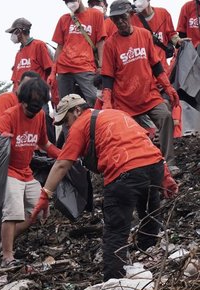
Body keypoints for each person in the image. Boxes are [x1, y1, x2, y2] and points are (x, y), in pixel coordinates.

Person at [32, 94, 178, 280]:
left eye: (66, 120)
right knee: (149, 219)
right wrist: (165, 176)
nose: (67, 126)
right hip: (153, 167)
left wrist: (45, 196)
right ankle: (151, 263)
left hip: (124, 173)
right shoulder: (118, 115)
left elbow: (62, 164)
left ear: (77, 111)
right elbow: (145, 142)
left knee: (116, 232)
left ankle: (113, 283)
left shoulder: (80, 125)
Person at [102, 0, 180, 172]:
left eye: (123, 17)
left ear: (130, 15)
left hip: (148, 95)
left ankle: (170, 162)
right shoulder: (110, 44)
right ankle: (143, 166)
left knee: (165, 116)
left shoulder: (144, 34)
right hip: (125, 101)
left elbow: (156, 65)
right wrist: (107, 103)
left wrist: (168, 87)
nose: (120, 22)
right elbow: (107, 77)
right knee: (131, 136)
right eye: (115, 20)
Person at [0, 77, 61, 266]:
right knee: (13, 212)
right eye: (29, 108)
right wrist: (2, 138)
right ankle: (7, 256)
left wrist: (63, 155)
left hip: (26, 172)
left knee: (36, 212)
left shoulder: (39, 115)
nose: (32, 113)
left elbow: (44, 143)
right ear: (21, 101)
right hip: (9, 171)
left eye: (37, 108)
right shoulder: (9, 116)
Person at [48, 0, 106, 107]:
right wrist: (53, 72)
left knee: (94, 98)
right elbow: (60, 47)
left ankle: (94, 122)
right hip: (64, 68)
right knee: (65, 105)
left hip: (85, 66)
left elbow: (100, 42)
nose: (69, 3)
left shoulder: (95, 14)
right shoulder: (64, 19)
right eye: (66, 1)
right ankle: (70, 124)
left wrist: (101, 66)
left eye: (71, 0)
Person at [131, 0, 185, 75]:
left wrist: (178, 41)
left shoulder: (163, 13)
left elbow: (171, 33)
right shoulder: (131, 20)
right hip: (144, 72)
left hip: (163, 69)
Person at [5, 17, 53, 90]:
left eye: (13, 32)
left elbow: (50, 70)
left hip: (36, 93)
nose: (12, 35)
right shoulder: (19, 53)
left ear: (19, 31)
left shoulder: (38, 45)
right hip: (21, 97)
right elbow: (15, 81)